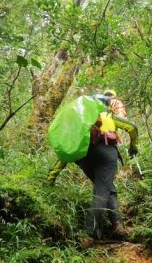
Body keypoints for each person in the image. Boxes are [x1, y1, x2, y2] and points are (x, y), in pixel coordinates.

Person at [48, 89, 139, 241]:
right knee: (101, 191)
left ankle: (117, 224)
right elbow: (132, 128)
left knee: (106, 187)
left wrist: (51, 177)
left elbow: (68, 151)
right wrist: (133, 147)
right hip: (105, 153)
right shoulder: (106, 115)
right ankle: (91, 233)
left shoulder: (81, 123)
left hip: (84, 158)